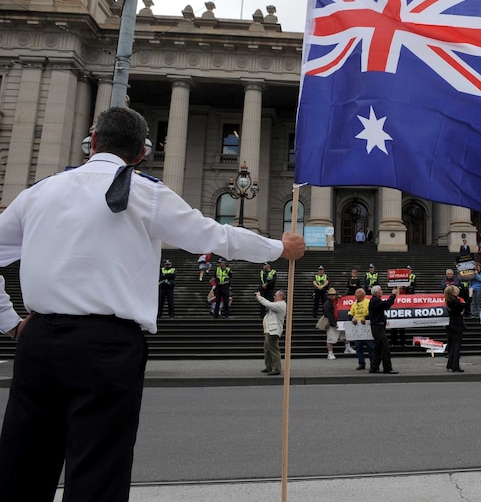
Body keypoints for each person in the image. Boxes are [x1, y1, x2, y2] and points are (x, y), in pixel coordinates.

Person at [0, 106, 306, 502]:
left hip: (38, 341)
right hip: (108, 346)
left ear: (92, 142)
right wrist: (279, 247)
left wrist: (10, 320)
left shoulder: (40, 191)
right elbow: (215, 237)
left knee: (21, 466)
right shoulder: (147, 192)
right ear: (142, 152)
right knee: (98, 470)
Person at [368, 285, 399, 374]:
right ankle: (387, 368)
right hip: (378, 327)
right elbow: (386, 304)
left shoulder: (375, 300)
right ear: (376, 292)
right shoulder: (375, 300)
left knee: (378, 348)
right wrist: (393, 296)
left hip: (377, 326)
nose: (382, 292)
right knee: (385, 348)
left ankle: (374, 367)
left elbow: (385, 306)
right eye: (380, 290)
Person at [256, 289, 286, 375]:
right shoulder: (277, 304)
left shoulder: (281, 305)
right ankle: (269, 366)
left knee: (273, 350)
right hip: (269, 330)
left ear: (280, 297)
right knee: (267, 349)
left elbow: (268, 304)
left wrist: (259, 297)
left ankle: (276, 368)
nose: (274, 297)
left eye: (275, 295)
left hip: (273, 331)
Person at [322, 287, 353, 360]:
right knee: (330, 339)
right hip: (333, 323)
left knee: (345, 335)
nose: (333, 296)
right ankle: (330, 353)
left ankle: (347, 348)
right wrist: (333, 323)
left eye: (334, 295)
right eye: (331, 295)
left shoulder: (336, 300)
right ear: (328, 296)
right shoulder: (327, 304)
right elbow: (328, 315)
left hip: (340, 321)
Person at [444, 284, 468, 372]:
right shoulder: (454, 301)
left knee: (452, 345)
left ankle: (450, 364)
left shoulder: (448, 301)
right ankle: (455, 365)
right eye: (456, 291)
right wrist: (469, 296)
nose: (457, 292)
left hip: (450, 324)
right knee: (457, 345)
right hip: (456, 324)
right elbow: (464, 306)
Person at [348, 288, 374, 370]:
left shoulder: (368, 302)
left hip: (366, 327)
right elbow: (350, 314)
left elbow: (372, 312)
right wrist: (352, 318)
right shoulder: (354, 304)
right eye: (355, 293)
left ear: (362, 294)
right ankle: (361, 363)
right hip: (357, 328)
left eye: (357, 293)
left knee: (371, 347)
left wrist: (365, 318)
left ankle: (373, 363)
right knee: (358, 347)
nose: (355, 295)